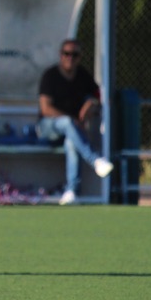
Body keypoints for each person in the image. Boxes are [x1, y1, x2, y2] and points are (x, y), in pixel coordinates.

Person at [37, 39, 114, 205]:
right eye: (66, 54)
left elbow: (101, 99)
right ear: (60, 55)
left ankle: (71, 191)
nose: (70, 58)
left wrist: (92, 102)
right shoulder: (50, 76)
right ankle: (95, 160)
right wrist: (71, 120)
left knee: (72, 142)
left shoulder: (83, 76)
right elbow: (45, 109)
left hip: (72, 132)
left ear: (80, 57)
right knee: (66, 123)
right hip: (48, 128)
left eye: (75, 55)